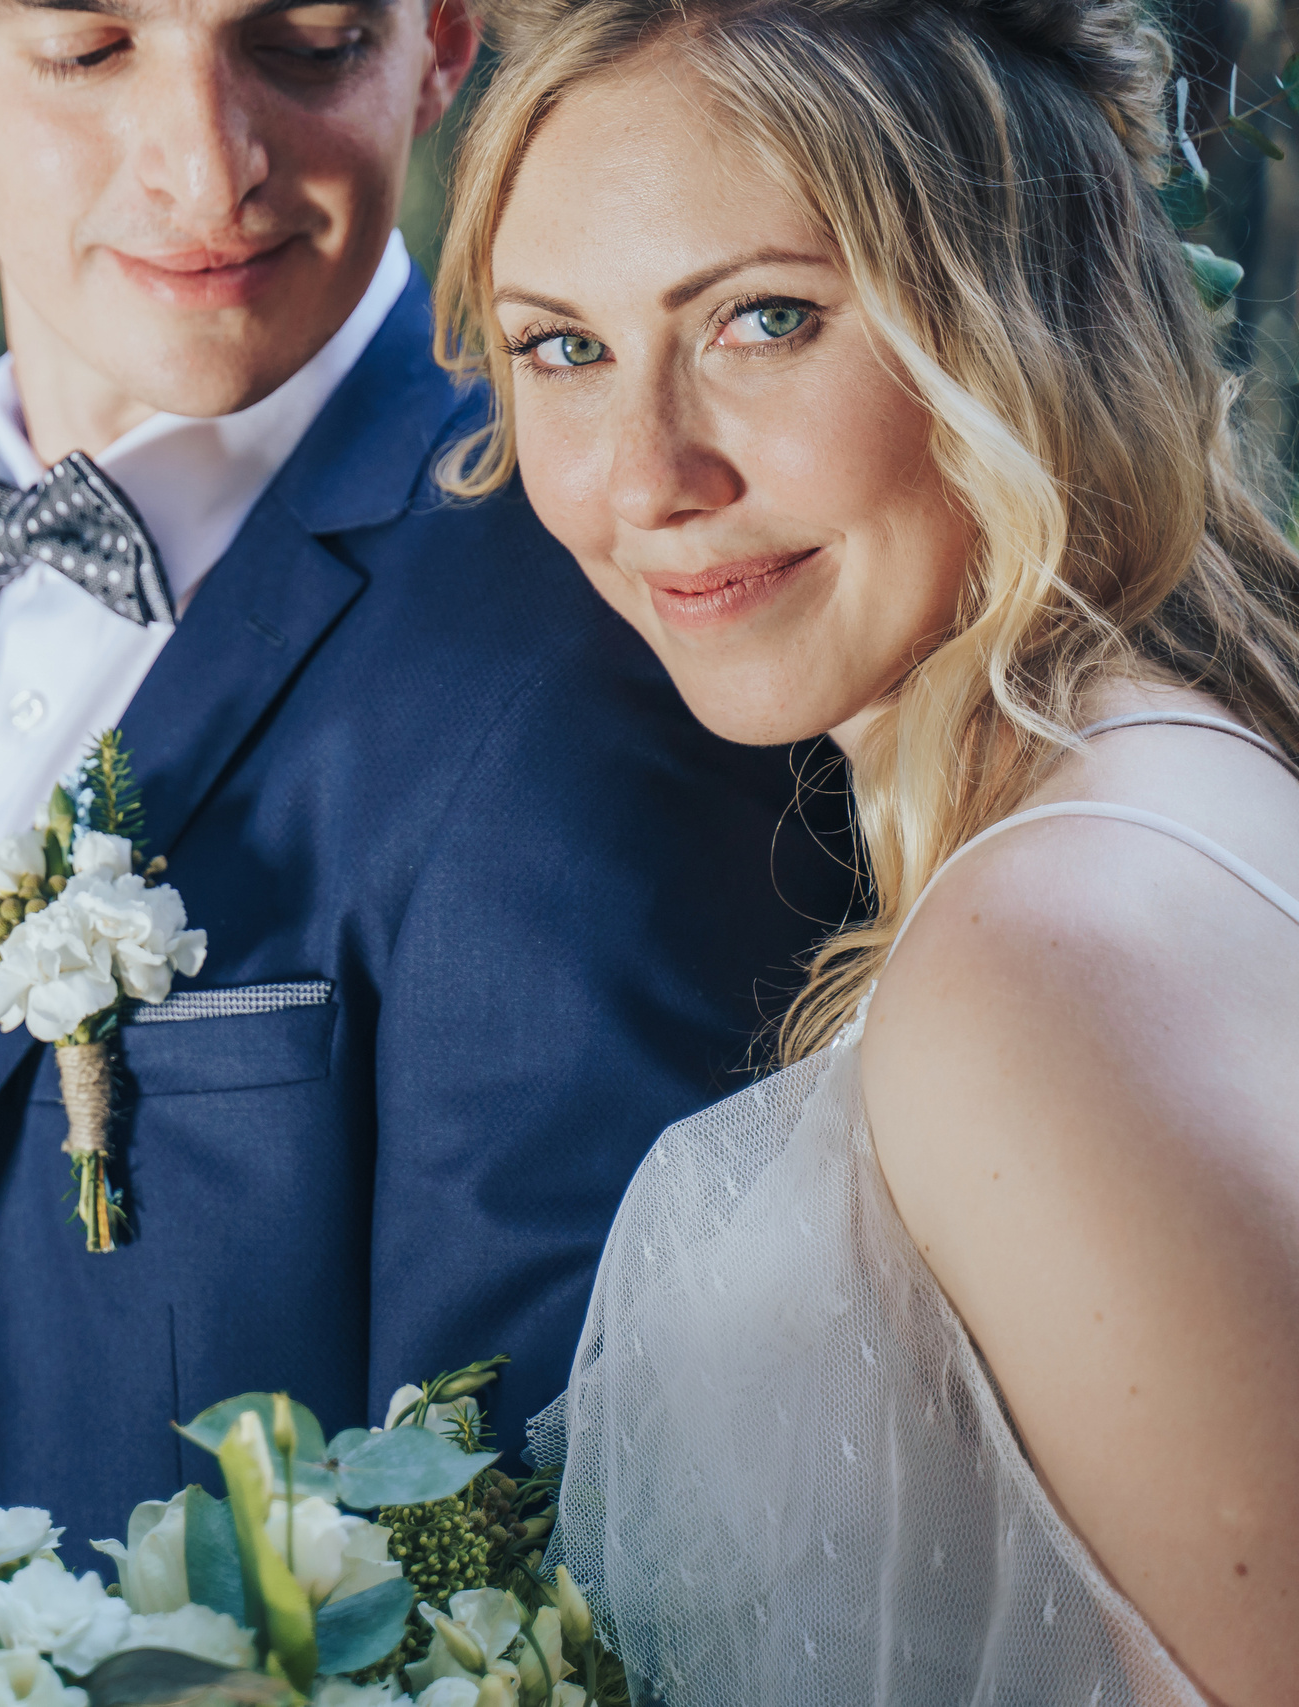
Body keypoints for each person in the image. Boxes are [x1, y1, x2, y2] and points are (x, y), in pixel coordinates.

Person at [0, 0, 855, 1646]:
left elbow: (554, 1571)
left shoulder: (589, 642)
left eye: (301, 43)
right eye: (89, 50)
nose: (206, 169)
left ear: (438, 44)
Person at [435, 0, 1299, 1698]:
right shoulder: (1174, 783)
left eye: (765, 320)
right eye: (563, 349)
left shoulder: (1049, 956)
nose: (646, 476)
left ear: (1017, 327)